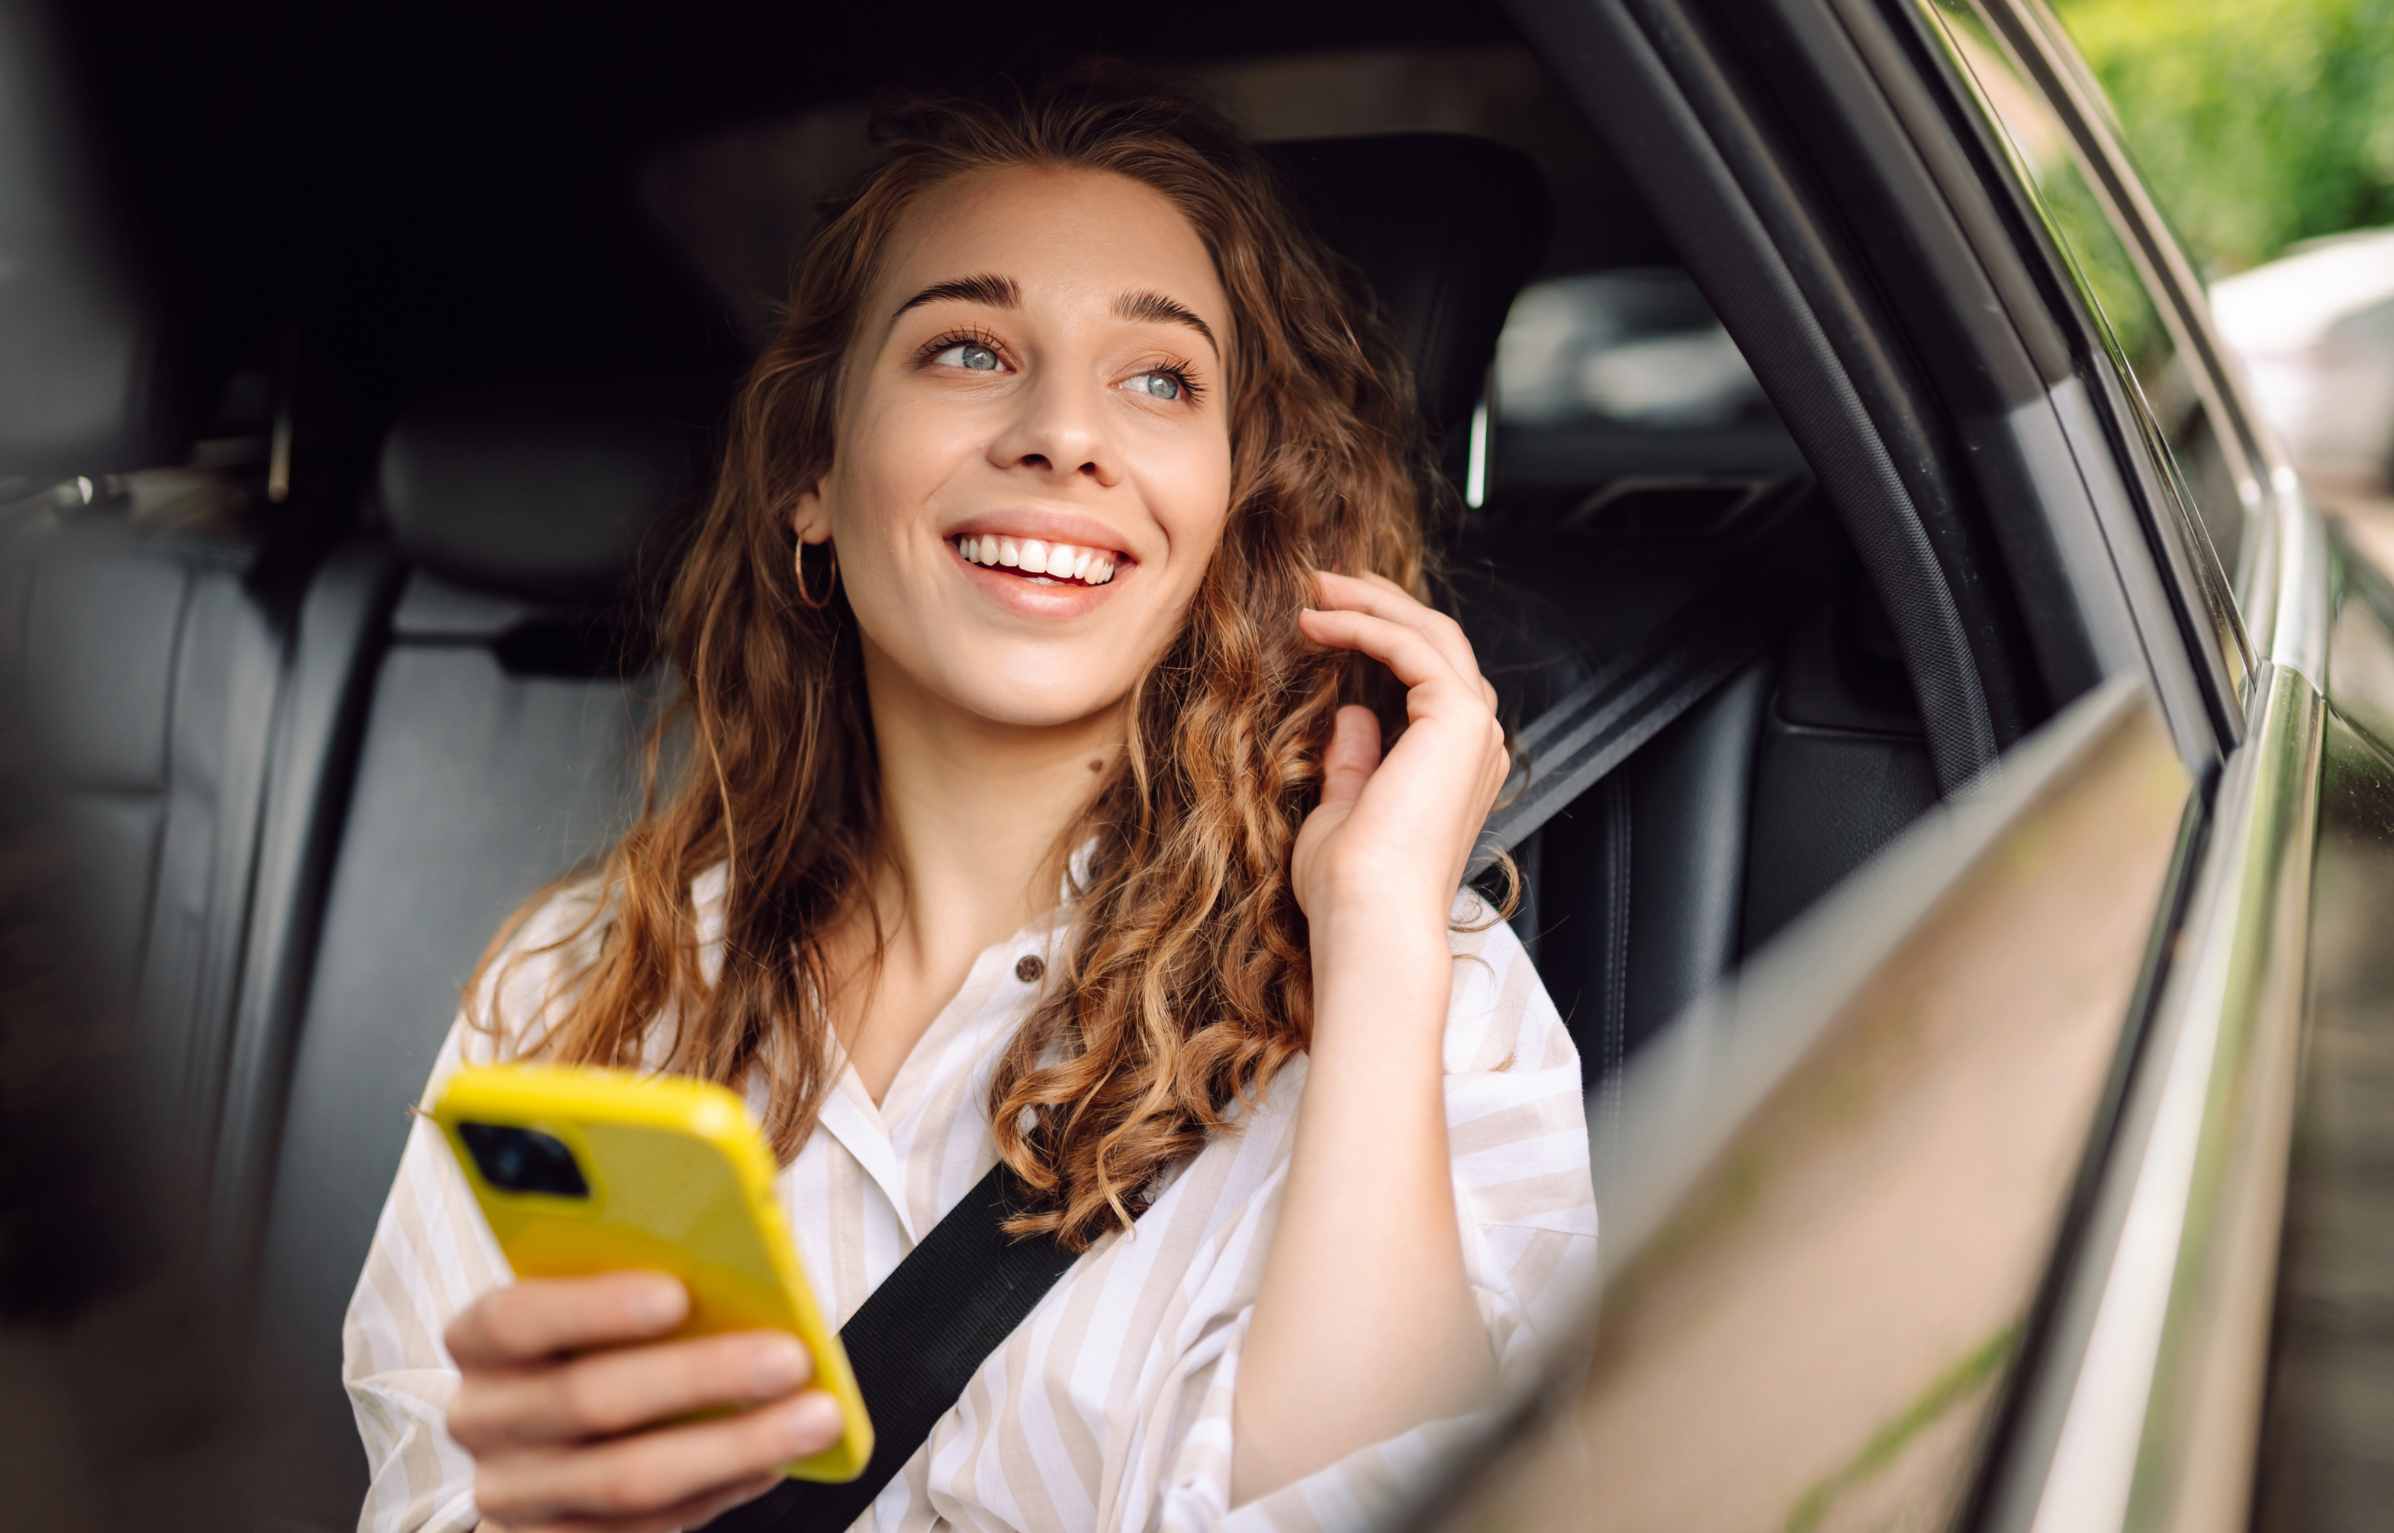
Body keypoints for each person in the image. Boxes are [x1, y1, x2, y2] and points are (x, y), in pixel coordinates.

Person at [343, 59, 1597, 1533]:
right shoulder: (573, 991)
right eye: (966, 351)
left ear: (1231, 513)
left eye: (1158, 378)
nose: (1063, 433)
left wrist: (1376, 938)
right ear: (812, 473)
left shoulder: (1421, 989)